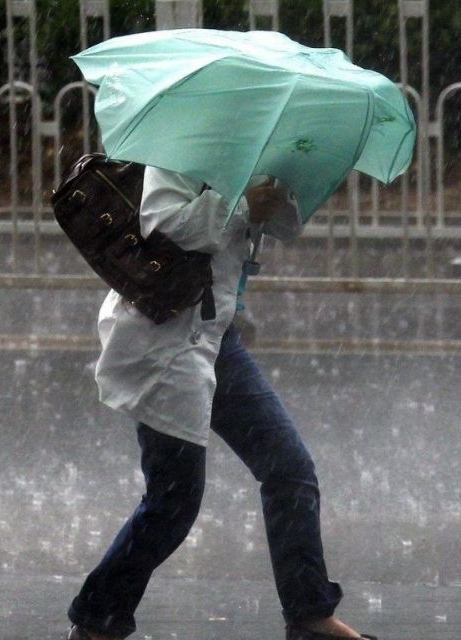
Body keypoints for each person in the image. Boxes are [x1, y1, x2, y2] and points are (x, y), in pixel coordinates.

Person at [66, 166, 374, 640]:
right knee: (174, 501)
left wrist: (277, 190)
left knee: (289, 469)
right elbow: (162, 224)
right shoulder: (181, 146)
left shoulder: (258, 142)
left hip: (216, 337)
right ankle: (97, 619)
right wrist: (241, 204)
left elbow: (286, 226)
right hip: (166, 338)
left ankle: (309, 615)